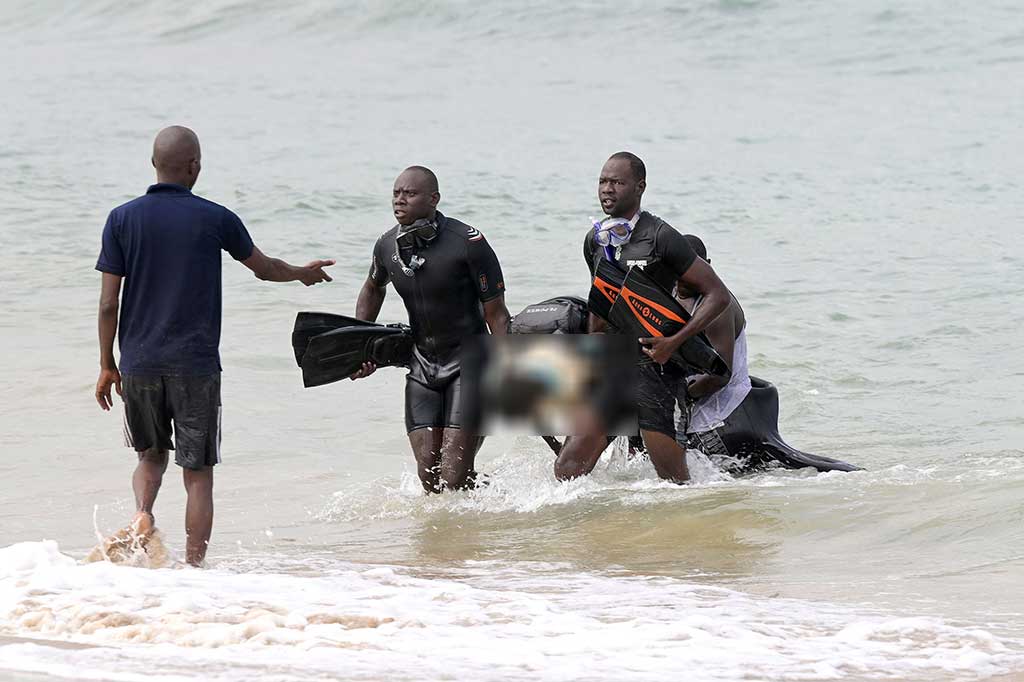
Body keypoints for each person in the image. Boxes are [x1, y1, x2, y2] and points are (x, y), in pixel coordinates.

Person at [94, 126, 334, 566]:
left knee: (150, 456)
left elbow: (109, 303)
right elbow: (264, 268)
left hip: (139, 363)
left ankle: (143, 514)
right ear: (195, 166)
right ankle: (193, 569)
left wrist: (107, 364)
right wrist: (302, 273)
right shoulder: (215, 217)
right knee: (197, 472)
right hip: (195, 365)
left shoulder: (121, 219)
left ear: (153, 164)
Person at [553, 151, 732, 483]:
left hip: (657, 371)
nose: (607, 189)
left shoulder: (662, 236)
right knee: (568, 470)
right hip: (613, 367)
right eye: (603, 181)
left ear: (640, 187)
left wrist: (673, 343)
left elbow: (717, 295)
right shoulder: (595, 240)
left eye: (617, 182)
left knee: (673, 482)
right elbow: (600, 303)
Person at [351, 166, 511, 493]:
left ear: (434, 199)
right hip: (422, 367)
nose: (400, 200)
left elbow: (496, 314)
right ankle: (495, 500)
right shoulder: (387, 246)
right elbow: (372, 288)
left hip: (470, 365)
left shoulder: (468, 243)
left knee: (452, 478)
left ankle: (492, 509)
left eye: (410, 193)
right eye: (396, 193)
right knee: (429, 479)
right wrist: (359, 344)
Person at [675, 235, 751, 441]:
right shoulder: (672, 291)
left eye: (689, 272)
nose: (682, 278)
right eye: (675, 269)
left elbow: (720, 377)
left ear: (706, 266)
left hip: (721, 409)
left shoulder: (717, 308)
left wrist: (679, 394)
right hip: (691, 393)